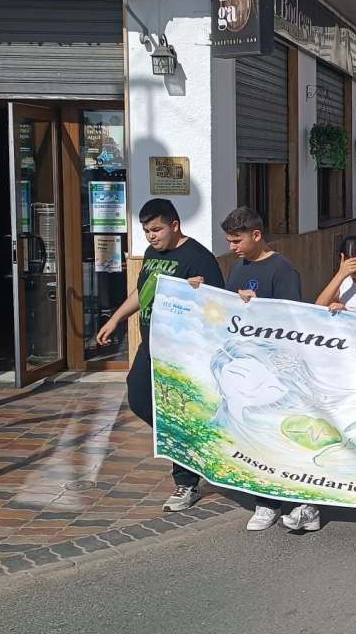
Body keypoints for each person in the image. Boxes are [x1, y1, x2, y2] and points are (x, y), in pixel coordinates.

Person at [96, 199, 224, 513]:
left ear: (174, 225)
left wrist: (196, 293)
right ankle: (189, 443)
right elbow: (144, 291)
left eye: (157, 229)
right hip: (151, 344)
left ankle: (186, 483)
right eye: (147, 231)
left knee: (176, 413)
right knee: (139, 398)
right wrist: (116, 318)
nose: (151, 236)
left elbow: (218, 307)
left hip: (182, 352)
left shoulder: (199, 258)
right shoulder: (153, 254)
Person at [218, 207, 306, 532]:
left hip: (273, 370)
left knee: (272, 435)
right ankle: (264, 498)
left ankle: (277, 501)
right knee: (250, 433)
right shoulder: (237, 268)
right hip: (243, 366)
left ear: (256, 235)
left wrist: (259, 307)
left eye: (237, 240)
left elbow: (292, 317)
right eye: (229, 241)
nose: (232, 247)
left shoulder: (282, 270)